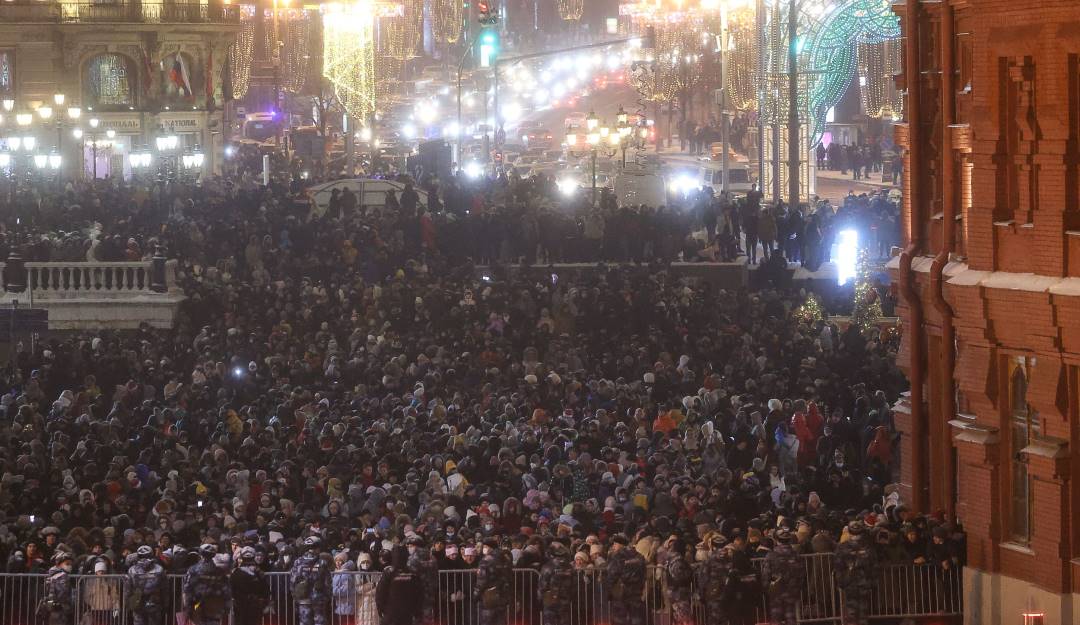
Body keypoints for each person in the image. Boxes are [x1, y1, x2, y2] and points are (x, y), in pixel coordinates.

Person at [834, 520, 877, 625]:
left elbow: (838, 566)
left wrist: (840, 582)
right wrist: (872, 582)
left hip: (849, 582)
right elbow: (873, 565)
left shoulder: (842, 547)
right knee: (863, 612)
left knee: (851, 613)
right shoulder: (868, 546)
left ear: (849, 531)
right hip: (864, 582)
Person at [763, 528, 805, 625]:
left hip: (776, 592)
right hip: (792, 591)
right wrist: (797, 587)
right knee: (790, 617)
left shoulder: (771, 555)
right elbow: (802, 574)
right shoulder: (796, 555)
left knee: (776, 618)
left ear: (776, 539)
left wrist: (767, 589)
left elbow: (766, 575)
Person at [376, 547, 424, 625]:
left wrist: (380, 609)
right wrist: (417, 612)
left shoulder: (389, 572)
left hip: (390, 613)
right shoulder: (413, 573)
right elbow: (419, 594)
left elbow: (380, 592)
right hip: (407, 614)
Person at [291, 536, 333, 625]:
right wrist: (327, 597)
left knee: (305, 622)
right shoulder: (322, 563)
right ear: (318, 547)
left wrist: (296, 597)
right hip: (318, 599)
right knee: (320, 622)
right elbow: (328, 583)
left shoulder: (298, 562)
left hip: (303, 599)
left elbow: (293, 581)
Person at [605, 534, 646, 625]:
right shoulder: (639, 556)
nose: (613, 546)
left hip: (621, 596)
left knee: (620, 620)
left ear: (621, 544)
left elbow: (611, 576)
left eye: (615, 544)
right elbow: (644, 575)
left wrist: (608, 592)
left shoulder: (617, 556)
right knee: (636, 620)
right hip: (636, 595)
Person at [127, 545, 167, 625]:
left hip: (138, 604)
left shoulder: (132, 570)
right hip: (154, 603)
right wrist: (165, 604)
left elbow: (128, 590)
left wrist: (129, 604)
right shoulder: (159, 569)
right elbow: (165, 589)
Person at [475, 539, 512, 625]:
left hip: (489, 598)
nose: (483, 549)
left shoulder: (486, 560)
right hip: (503, 596)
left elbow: (482, 580)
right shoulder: (505, 558)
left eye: (485, 547)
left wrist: (476, 594)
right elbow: (510, 576)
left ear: (490, 548)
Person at [695, 534, 730, 625]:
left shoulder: (709, 561)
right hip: (728, 595)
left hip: (713, 596)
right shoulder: (731, 559)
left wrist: (701, 595)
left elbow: (703, 580)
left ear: (713, 546)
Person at [230, 547, 269, 625]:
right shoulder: (259, 572)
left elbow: (231, 589)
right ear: (254, 556)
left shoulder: (236, 572)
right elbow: (266, 590)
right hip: (254, 605)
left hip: (241, 605)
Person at [538, 541, 573, 625]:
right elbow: (574, 584)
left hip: (550, 601)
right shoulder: (569, 567)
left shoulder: (548, 566)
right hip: (565, 600)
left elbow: (542, 585)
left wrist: (539, 600)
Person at [662, 539, 693, 625]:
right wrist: (690, 572)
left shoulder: (670, 559)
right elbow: (680, 577)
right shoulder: (678, 560)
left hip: (673, 592)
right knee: (684, 618)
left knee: (677, 618)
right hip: (679, 593)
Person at [41, 551, 74, 625]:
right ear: (59, 564)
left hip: (51, 607)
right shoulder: (63, 576)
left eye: (71, 564)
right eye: (67, 564)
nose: (70, 566)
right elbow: (62, 594)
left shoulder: (51, 574)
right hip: (61, 609)